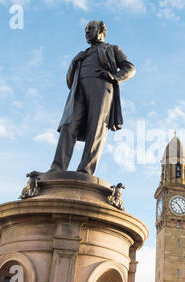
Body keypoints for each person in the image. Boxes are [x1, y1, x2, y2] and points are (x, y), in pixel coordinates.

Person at [49, 20, 136, 175]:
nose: (87, 33)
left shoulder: (113, 49)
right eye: (85, 30)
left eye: (90, 29)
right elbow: (70, 82)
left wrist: (114, 77)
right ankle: (57, 169)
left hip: (101, 89)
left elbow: (130, 68)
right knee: (68, 126)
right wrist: (74, 62)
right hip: (78, 91)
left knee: (96, 128)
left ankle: (85, 170)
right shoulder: (82, 55)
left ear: (101, 31)